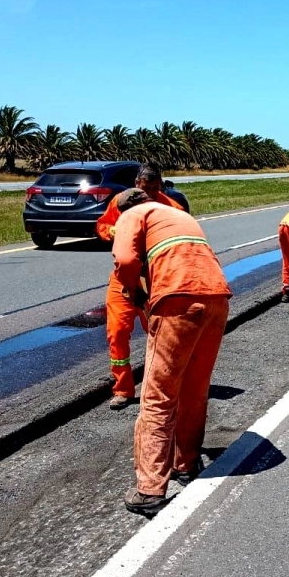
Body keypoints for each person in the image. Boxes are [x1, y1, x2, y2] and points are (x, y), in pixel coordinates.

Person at [111, 188, 232, 513]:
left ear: (123, 208)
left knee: (158, 396)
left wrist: (135, 292)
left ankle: (149, 490)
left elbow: (124, 260)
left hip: (178, 300)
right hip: (217, 298)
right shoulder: (179, 215)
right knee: (195, 389)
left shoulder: (132, 215)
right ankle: (186, 464)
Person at [97, 165, 186, 410]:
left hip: (155, 279)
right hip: (124, 277)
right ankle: (123, 389)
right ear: (137, 183)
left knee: (160, 334)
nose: (150, 194)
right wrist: (113, 230)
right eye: (146, 189)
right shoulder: (123, 201)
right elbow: (102, 227)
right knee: (117, 332)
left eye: (155, 189)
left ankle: (164, 386)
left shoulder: (170, 207)